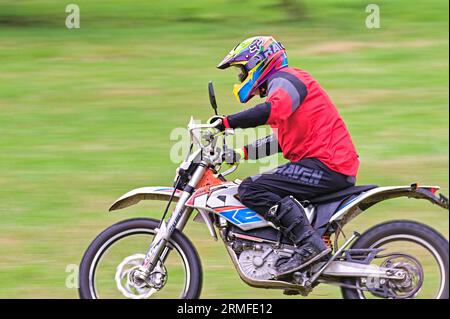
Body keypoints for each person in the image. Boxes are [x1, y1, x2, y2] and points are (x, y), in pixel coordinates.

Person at [209, 36, 360, 276]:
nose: (240, 78)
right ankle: (292, 248)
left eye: (241, 71)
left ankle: (310, 247)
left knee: (251, 188)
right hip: (326, 164)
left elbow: (272, 111)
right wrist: (240, 153)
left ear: (257, 63)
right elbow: (282, 140)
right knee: (258, 185)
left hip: (327, 165)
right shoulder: (285, 84)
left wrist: (226, 123)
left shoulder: (286, 80)